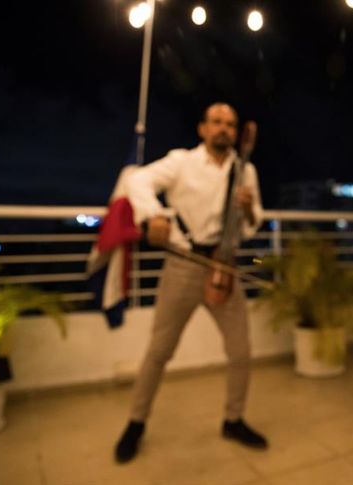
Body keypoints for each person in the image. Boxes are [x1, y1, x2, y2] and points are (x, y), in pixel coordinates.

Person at [114, 102, 268, 464]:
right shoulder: (181, 161)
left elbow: (253, 223)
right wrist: (153, 215)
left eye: (230, 123)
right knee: (159, 351)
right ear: (202, 129)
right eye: (216, 122)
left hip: (224, 266)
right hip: (182, 264)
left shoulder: (246, 171)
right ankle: (136, 424)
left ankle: (233, 419)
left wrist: (246, 208)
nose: (224, 129)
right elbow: (136, 179)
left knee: (241, 350)